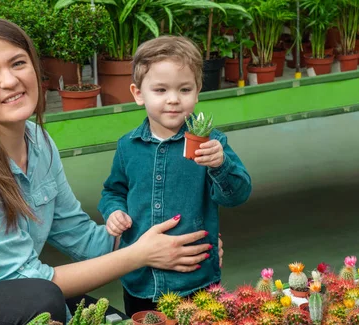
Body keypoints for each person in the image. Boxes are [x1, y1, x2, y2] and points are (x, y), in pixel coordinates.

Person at [0, 18, 218, 325]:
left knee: (108, 316)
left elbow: (81, 237)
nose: (10, 81)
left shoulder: (37, 141)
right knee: (43, 299)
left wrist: (179, 243)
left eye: (18, 63)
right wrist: (141, 254)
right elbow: (29, 280)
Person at [98, 35, 252, 316]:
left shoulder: (210, 143)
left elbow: (238, 194)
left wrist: (220, 164)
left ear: (197, 91)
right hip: (141, 280)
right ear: (138, 93)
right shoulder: (128, 146)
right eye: (160, 90)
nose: (173, 100)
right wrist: (114, 212)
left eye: (184, 89)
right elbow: (113, 191)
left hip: (196, 279)